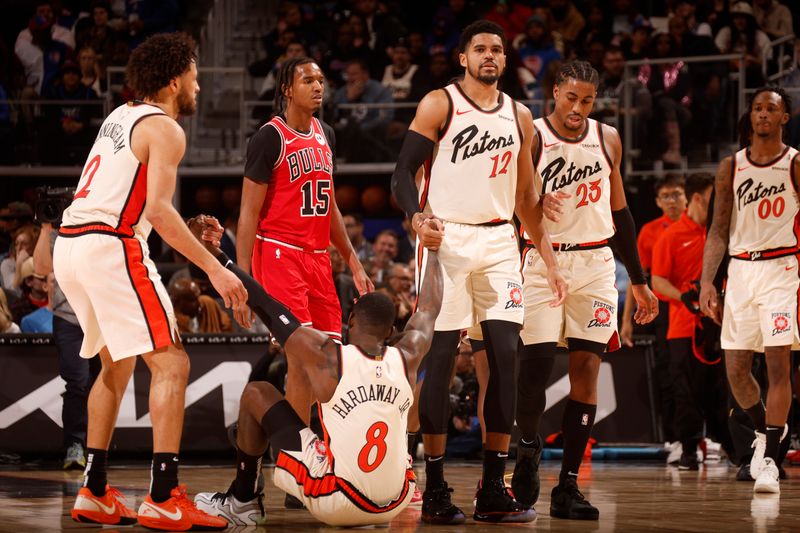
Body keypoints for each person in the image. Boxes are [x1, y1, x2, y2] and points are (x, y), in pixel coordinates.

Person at [54, 32, 247, 530]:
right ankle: (163, 493)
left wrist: (188, 232)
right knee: (172, 362)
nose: (199, 86)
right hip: (111, 244)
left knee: (114, 368)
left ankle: (94, 490)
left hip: (72, 244)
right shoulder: (166, 128)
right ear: (174, 78)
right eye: (195, 75)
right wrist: (213, 266)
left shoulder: (118, 117)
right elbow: (158, 211)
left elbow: (139, 201)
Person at [391, 19, 566, 524]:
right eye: (480, 49)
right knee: (442, 360)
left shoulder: (521, 116)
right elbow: (402, 172)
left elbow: (526, 199)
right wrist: (417, 218)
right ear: (463, 58)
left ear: (505, 61)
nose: (490, 55)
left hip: (499, 242)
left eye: (498, 49)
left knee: (505, 360)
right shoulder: (439, 103)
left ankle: (492, 488)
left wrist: (549, 260)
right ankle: (436, 485)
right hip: (446, 239)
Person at [191, 215, 443, 527]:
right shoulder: (407, 355)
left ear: (349, 323)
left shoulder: (328, 356)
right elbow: (429, 308)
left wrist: (219, 257)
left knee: (258, 393)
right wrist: (433, 249)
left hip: (340, 500)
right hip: (396, 501)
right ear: (392, 330)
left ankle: (242, 501)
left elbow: (268, 305)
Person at [510, 61, 659, 520]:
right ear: (555, 91)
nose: (578, 108)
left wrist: (638, 280)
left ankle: (568, 486)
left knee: (587, 372)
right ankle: (529, 449)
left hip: (596, 264)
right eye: (571, 97)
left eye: (587, 100)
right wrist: (533, 204)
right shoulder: (531, 134)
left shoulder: (607, 138)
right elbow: (510, 202)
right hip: (540, 260)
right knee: (534, 374)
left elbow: (622, 214)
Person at [236, 57, 372, 433]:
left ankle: (319, 449)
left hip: (317, 259)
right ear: (286, 89)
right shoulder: (269, 137)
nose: (318, 86)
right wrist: (243, 280)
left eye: (321, 80)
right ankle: (299, 458)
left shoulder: (325, 132)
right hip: (279, 253)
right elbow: (248, 214)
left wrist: (353, 259)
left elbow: (328, 203)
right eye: (308, 80)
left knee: (329, 359)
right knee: (301, 359)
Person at [700, 87, 799, 494]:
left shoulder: (794, 163)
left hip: (782, 268)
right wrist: (707, 280)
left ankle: (772, 460)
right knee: (737, 371)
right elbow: (719, 229)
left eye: (770, 109)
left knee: (777, 367)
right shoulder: (731, 166)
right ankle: (765, 433)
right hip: (740, 271)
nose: (762, 115)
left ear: (784, 118)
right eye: (757, 108)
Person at [651, 173, 731, 469]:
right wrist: (683, 297)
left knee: (721, 388)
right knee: (684, 390)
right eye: (714, 196)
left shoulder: (721, 232)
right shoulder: (670, 236)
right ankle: (688, 448)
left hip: (721, 324)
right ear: (698, 198)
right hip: (682, 326)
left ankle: (732, 445)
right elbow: (657, 281)